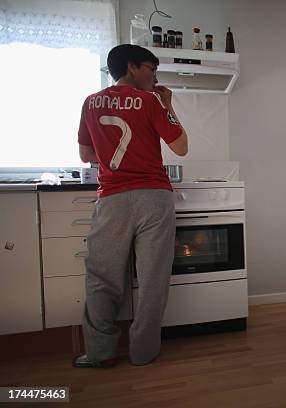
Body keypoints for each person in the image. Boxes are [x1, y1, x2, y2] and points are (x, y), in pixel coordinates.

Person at [73, 44, 188, 368]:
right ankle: (144, 352)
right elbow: (181, 147)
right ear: (132, 66)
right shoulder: (151, 101)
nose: (154, 78)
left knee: (102, 277)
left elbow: (86, 155)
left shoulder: (90, 102)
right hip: (154, 197)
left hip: (112, 198)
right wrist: (168, 105)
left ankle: (99, 352)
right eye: (151, 70)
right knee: (153, 279)